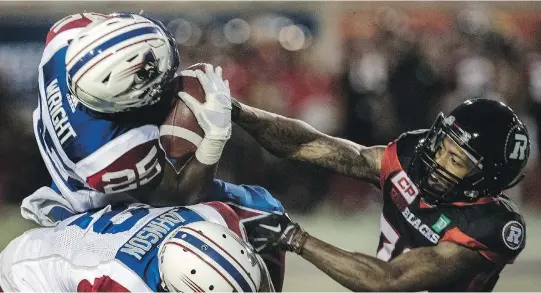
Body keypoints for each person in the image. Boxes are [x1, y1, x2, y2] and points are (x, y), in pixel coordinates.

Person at [179, 71, 528, 292]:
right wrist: (239, 112)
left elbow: (388, 282)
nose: (437, 160)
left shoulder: (489, 228)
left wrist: (294, 238)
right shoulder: (409, 158)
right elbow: (308, 144)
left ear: (488, 181)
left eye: (456, 159)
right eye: (442, 146)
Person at [27, 12, 236, 226]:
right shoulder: (108, 152)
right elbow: (177, 196)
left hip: (66, 170)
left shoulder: (64, 36)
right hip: (98, 212)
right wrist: (215, 137)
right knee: (222, 220)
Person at [1, 186, 282, 292]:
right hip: (22, 278)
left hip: (95, 244)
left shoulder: (213, 218)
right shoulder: (125, 283)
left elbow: (265, 209)